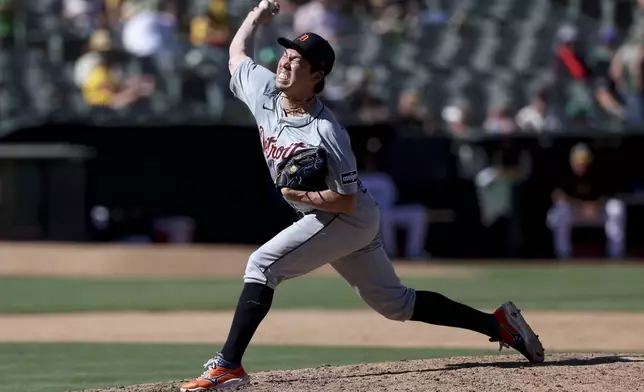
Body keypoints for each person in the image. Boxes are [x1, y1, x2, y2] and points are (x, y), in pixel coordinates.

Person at [179, 2, 545, 391]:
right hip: (339, 217)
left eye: (297, 60)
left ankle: (228, 365)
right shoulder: (266, 90)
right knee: (396, 304)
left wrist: (300, 193)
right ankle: (498, 324)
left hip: (344, 217)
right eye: (287, 52)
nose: (286, 61)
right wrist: (254, 17)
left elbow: (346, 200)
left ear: (317, 75)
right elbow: (238, 55)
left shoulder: (326, 132)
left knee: (263, 265)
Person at [547, 143, 626, 260]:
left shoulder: (597, 172)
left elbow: (608, 194)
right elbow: (557, 196)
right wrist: (581, 205)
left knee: (616, 208)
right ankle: (563, 255)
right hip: (575, 212)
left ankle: (615, 255)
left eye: (583, 162)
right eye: (578, 162)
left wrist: (595, 205)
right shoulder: (564, 173)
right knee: (560, 211)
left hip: (596, 211)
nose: (581, 166)